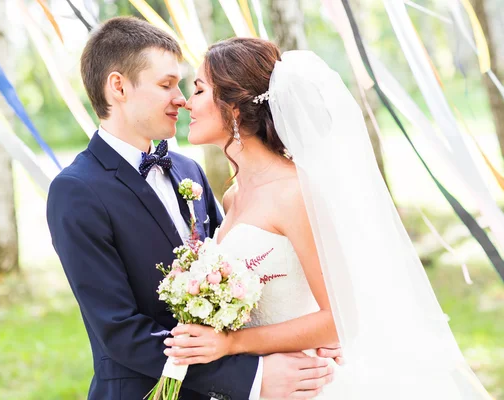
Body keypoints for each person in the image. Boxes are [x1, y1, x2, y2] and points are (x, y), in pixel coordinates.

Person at [163, 37, 493, 399]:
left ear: (235, 107)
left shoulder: (295, 193)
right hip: (263, 384)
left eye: (198, 90)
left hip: (308, 383)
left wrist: (232, 343)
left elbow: (339, 319)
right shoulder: (233, 195)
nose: (185, 102)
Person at [47, 18, 335, 400]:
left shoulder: (188, 170)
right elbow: (120, 331)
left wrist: (318, 335)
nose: (181, 98)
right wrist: (252, 376)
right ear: (118, 87)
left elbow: (244, 278)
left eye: (187, 85)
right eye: (166, 85)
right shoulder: (76, 191)